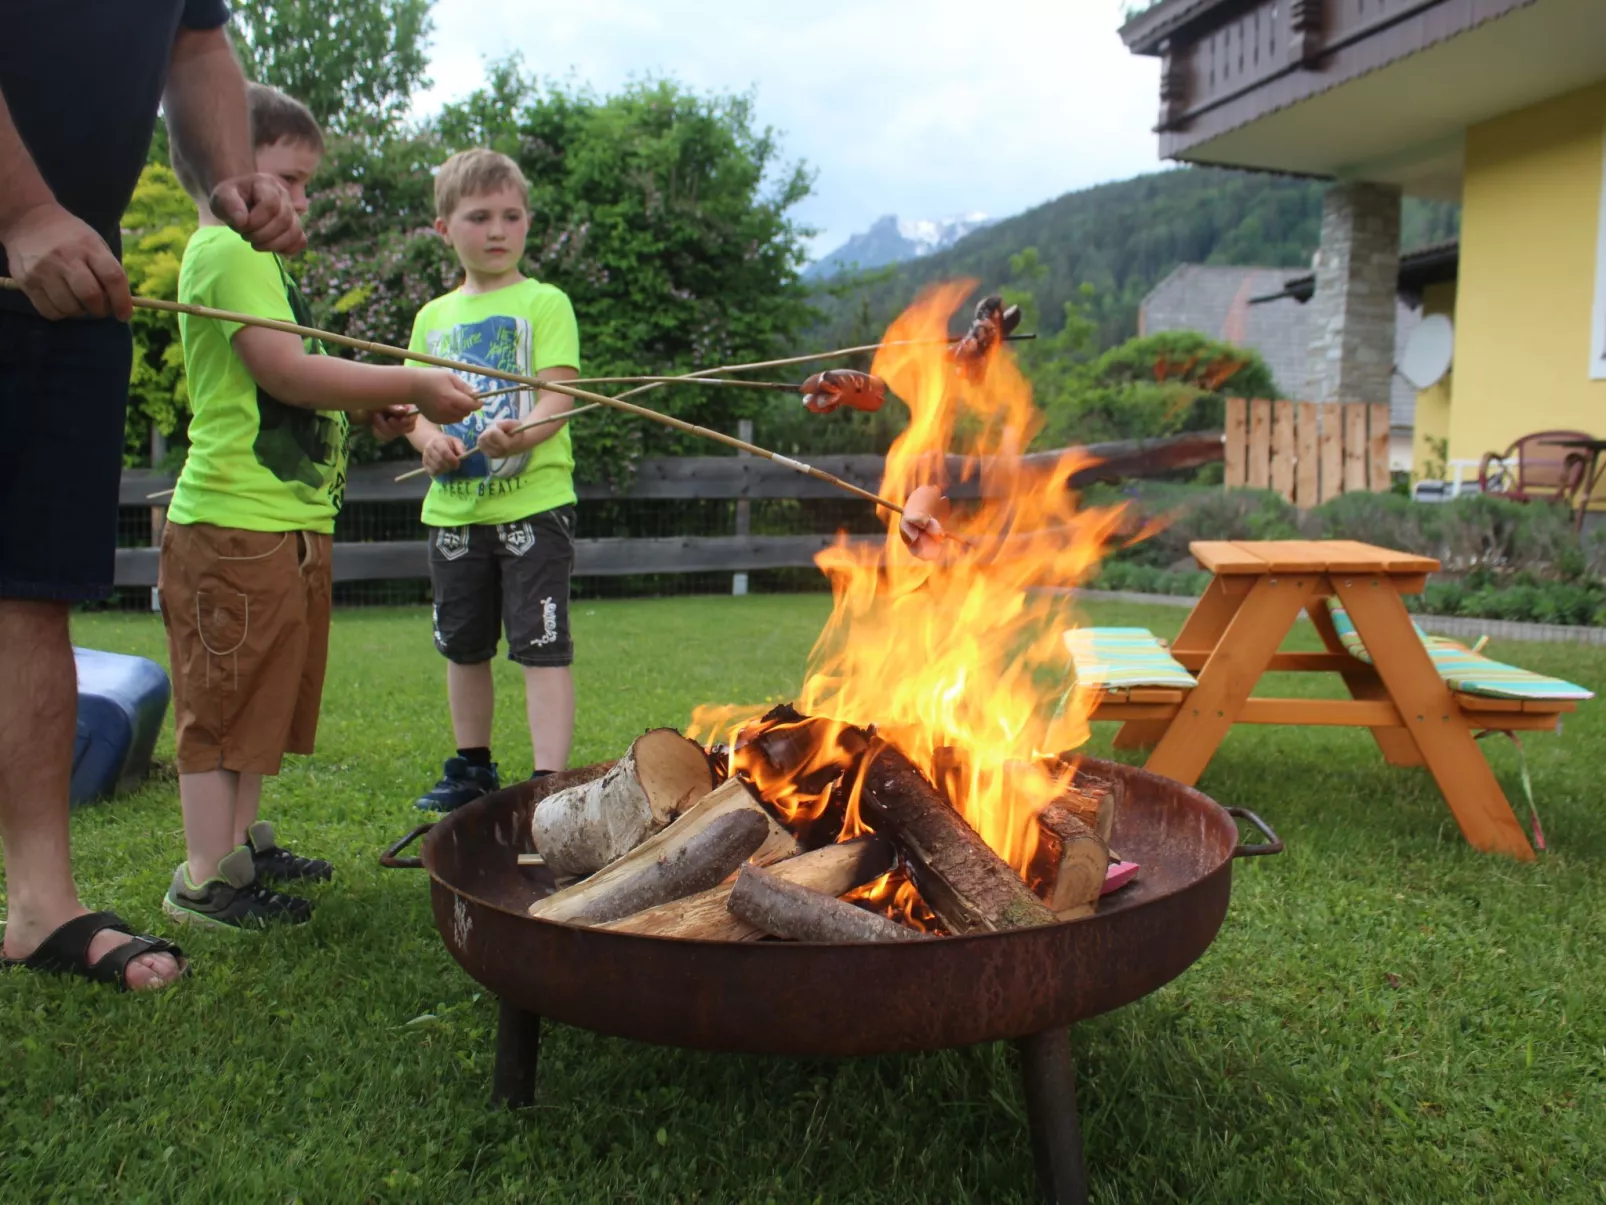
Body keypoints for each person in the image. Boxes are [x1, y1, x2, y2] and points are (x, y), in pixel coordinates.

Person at [0, 2, 308, 991]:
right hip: (27, 242)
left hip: (74, 278)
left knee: (30, 592)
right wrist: (21, 211)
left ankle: (40, 906)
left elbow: (196, 40)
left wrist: (233, 175)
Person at [157, 85, 481, 928]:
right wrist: (412, 381)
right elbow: (287, 372)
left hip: (284, 525)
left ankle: (239, 847)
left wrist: (366, 408)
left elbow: (292, 386)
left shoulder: (260, 263)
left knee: (257, 703)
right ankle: (204, 878)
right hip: (234, 526)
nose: (302, 201)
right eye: (291, 180)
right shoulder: (224, 249)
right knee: (221, 707)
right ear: (230, 167)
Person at [404, 149, 581, 813]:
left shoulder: (546, 302)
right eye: (479, 217)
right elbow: (412, 409)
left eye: (511, 216)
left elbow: (558, 397)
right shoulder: (431, 317)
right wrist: (429, 443)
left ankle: (547, 782)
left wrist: (521, 435)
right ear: (444, 228)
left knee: (542, 646)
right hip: (455, 514)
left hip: (535, 509)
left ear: (528, 222)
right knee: (463, 645)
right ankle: (472, 768)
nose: (497, 230)